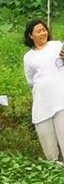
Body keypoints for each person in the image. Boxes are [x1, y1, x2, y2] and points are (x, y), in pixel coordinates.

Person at [23, 19, 64, 162]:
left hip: (61, 102)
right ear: (30, 36)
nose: (43, 33)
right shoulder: (28, 57)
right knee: (49, 145)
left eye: (44, 29)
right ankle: (55, 174)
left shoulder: (57, 46)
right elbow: (31, 80)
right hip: (42, 104)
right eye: (38, 31)